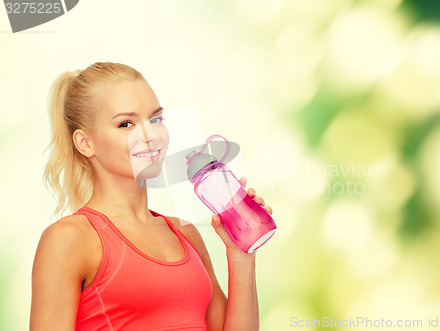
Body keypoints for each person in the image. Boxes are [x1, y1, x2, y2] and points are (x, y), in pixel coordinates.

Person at [30, 61, 273, 330]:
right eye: (126, 123)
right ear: (85, 143)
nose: (150, 135)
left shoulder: (186, 234)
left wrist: (241, 256)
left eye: (155, 119)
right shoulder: (69, 239)